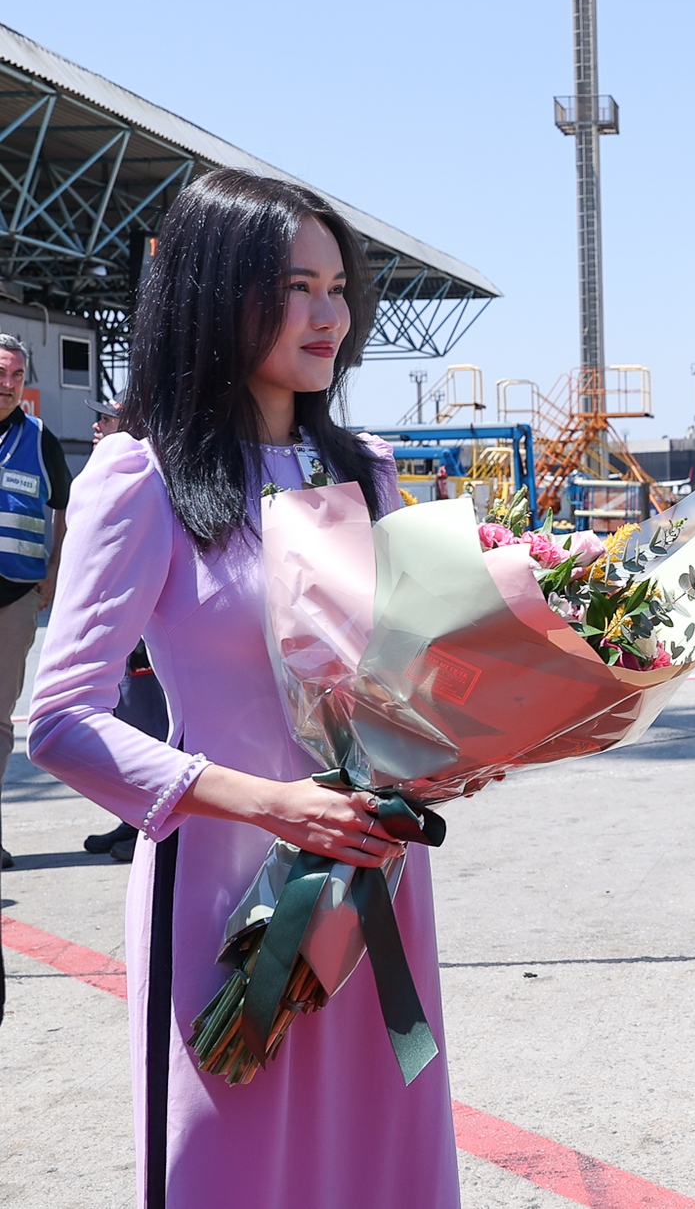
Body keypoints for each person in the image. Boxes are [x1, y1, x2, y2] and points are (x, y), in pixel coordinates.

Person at [29, 168, 458, 1208]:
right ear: (218, 293)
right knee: (230, 1160)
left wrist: (456, 749)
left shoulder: (369, 472)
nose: (328, 314)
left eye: (338, 288)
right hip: (226, 891)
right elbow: (60, 718)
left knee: (376, 1162)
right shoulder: (145, 475)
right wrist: (267, 802)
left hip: (373, 879)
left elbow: (411, 681)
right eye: (295, 286)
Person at [76, 399, 163, 865]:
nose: (95, 425)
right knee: (124, 720)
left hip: (143, 631)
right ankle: (130, 817)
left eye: (105, 419)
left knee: (147, 729)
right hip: (117, 625)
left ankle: (149, 824)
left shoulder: (144, 476)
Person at [0, 334, 73, 870]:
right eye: (0, 372)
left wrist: (53, 576)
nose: (7, 384)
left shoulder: (39, 438)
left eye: (16, 376)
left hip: (13, 601)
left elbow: (67, 507)